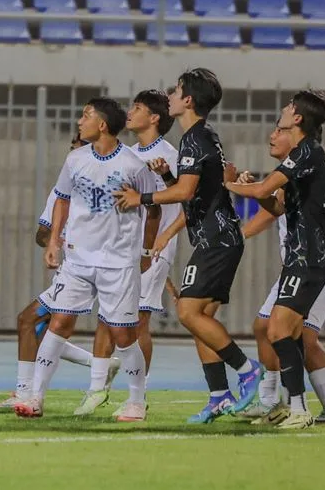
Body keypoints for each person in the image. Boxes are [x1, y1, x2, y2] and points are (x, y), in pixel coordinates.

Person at [115, 68, 263, 424]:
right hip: (218, 237)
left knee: (187, 312)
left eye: (177, 90)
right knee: (200, 321)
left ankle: (247, 370)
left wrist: (141, 197)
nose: (171, 94)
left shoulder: (196, 139)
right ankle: (218, 395)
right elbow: (194, 193)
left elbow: (185, 193)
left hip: (217, 239)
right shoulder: (198, 137)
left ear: (188, 100)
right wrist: (168, 176)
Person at [15, 98, 159, 422]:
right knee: (59, 322)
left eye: (86, 115)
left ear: (103, 125)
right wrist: (54, 241)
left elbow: (154, 209)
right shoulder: (75, 159)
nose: (80, 121)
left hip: (119, 261)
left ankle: (137, 401)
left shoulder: (134, 165)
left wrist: (147, 252)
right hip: (78, 259)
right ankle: (35, 397)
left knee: (123, 335)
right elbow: (62, 200)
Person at [0, 130, 122, 415]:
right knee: (37, 325)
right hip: (71, 266)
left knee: (40, 324)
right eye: (72, 146)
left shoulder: (111, 181)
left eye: (80, 145)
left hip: (100, 265)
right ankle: (30, 392)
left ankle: (130, 392)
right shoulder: (61, 189)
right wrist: (55, 239)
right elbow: (42, 232)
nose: (74, 151)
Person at [225, 91, 325, 429]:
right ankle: (291, 406)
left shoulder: (308, 151)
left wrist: (224, 184)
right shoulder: (299, 157)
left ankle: (295, 407)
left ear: (297, 118)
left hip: (310, 258)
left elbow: (259, 193)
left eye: (286, 110)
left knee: (282, 330)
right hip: (301, 260)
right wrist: (261, 191)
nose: (277, 120)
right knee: (280, 331)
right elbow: (276, 207)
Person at [125, 90, 182, 381]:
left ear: (154, 118)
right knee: (115, 321)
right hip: (125, 247)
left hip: (154, 250)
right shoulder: (128, 154)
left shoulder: (171, 156)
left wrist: (159, 245)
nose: (129, 112)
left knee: (139, 321)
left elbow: (187, 203)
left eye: (137, 107)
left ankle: (138, 393)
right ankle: (102, 385)